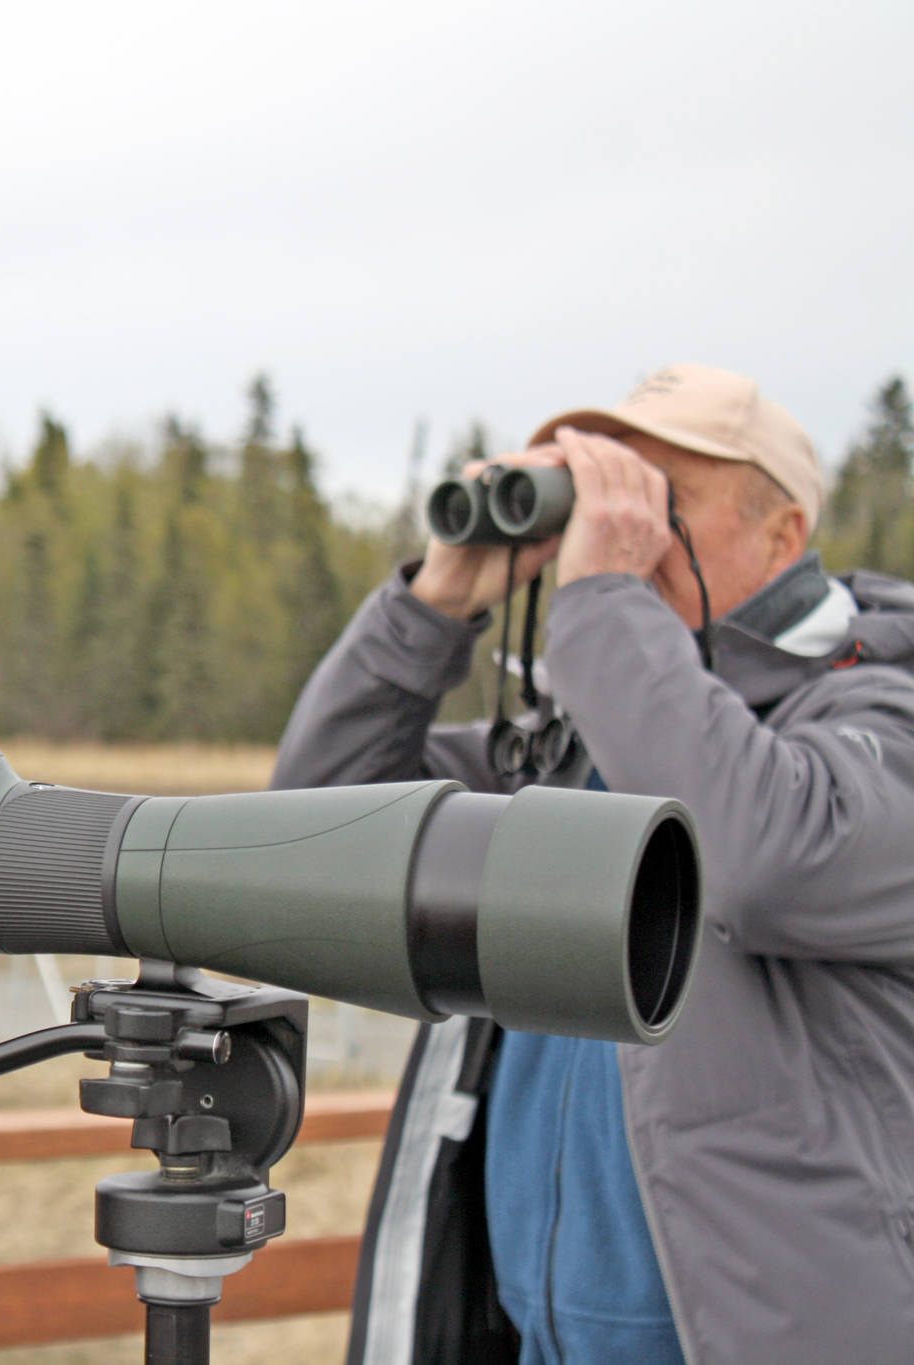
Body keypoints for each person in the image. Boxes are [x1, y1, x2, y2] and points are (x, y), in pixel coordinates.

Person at [272, 365, 914, 1364]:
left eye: (661, 499)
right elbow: (319, 836)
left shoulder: (874, 711)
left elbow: (759, 861)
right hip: (529, 1337)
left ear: (783, 534)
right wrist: (438, 599)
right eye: (601, 495)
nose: (618, 526)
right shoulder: (573, 750)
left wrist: (606, 600)